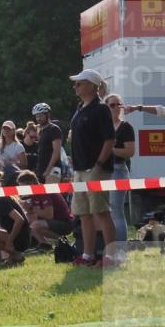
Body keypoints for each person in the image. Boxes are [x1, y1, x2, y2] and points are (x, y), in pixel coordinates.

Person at [68, 69, 117, 267]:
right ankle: (88, 256)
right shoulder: (80, 107)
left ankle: (112, 257)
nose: (75, 86)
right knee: (84, 214)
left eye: (79, 83)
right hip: (79, 170)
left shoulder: (101, 109)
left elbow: (110, 139)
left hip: (96, 169)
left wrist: (98, 165)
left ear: (91, 85)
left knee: (101, 213)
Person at [105, 93, 136, 243]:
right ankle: (107, 245)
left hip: (118, 169)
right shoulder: (101, 127)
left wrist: (109, 150)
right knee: (103, 211)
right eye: (112, 105)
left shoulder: (126, 127)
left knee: (116, 210)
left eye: (119, 104)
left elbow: (130, 152)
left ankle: (121, 247)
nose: (116, 108)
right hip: (102, 171)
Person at [16, 170, 73, 247]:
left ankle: (61, 242)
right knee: (27, 221)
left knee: (34, 225)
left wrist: (31, 208)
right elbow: (33, 214)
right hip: (56, 221)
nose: (21, 191)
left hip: (64, 223)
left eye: (23, 187)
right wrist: (27, 209)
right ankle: (44, 244)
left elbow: (49, 215)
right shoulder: (35, 193)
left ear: (31, 184)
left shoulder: (44, 191)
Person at [32, 103, 63, 184]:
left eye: (41, 116)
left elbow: (56, 151)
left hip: (52, 170)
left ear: (48, 114)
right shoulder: (41, 130)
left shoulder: (54, 129)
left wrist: (48, 170)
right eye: (37, 116)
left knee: (52, 195)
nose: (38, 118)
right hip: (41, 169)